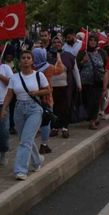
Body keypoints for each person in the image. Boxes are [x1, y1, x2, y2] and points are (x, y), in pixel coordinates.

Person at [1, 50, 52, 180]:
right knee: (25, 139)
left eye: (28, 57)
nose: (26, 60)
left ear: (32, 60)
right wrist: (4, 109)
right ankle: (37, 161)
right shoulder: (14, 77)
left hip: (34, 109)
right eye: (23, 57)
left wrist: (37, 93)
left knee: (25, 141)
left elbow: (48, 89)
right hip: (19, 109)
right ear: (20, 61)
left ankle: (20, 170)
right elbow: (9, 94)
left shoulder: (38, 75)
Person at [50, 35, 81, 139]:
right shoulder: (48, 56)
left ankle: (65, 127)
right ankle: (54, 127)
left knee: (65, 107)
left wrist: (79, 84)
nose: (57, 44)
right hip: (52, 86)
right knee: (54, 107)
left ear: (62, 44)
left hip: (66, 86)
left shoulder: (69, 56)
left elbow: (75, 70)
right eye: (55, 42)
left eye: (59, 42)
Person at [77, 33, 108, 130]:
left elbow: (106, 67)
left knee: (95, 101)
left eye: (94, 40)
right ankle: (92, 117)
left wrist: (107, 82)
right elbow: (76, 66)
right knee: (87, 101)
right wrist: (82, 61)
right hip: (85, 82)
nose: (92, 42)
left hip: (98, 81)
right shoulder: (82, 53)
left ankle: (93, 121)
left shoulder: (101, 53)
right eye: (91, 40)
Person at [0, 54, 13, 166]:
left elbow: (10, 82)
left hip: (2, 104)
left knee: (3, 131)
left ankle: (3, 152)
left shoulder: (5, 68)